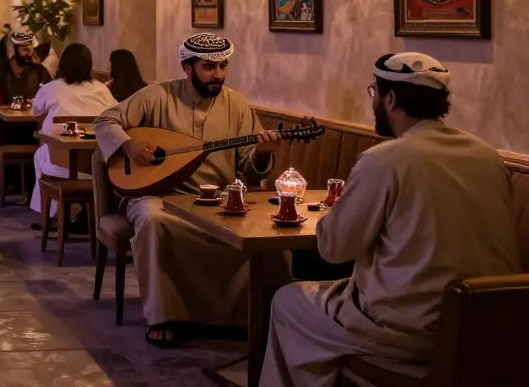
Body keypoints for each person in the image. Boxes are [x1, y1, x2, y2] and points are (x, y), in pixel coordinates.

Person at [261, 53, 521, 387]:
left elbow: (334, 248)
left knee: (288, 301)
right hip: (489, 324)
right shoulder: (487, 155)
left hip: (409, 332)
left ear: (391, 98)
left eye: (375, 93)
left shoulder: (385, 159)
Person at [92, 33, 281, 348]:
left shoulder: (237, 104)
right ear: (188, 67)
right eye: (208, 67)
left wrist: (263, 153)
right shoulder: (156, 96)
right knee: (152, 220)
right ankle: (166, 318)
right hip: (157, 197)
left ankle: (241, 316)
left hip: (215, 200)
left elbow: (249, 166)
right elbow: (105, 121)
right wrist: (129, 145)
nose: (217, 74)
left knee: (263, 231)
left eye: (222, 66)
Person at [29, 43, 116, 225]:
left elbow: (35, 111)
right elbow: (117, 111)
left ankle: (52, 215)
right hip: (97, 164)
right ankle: (77, 213)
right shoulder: (101, 89)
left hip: (62, 162)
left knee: (40, 154)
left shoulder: (52, 88)